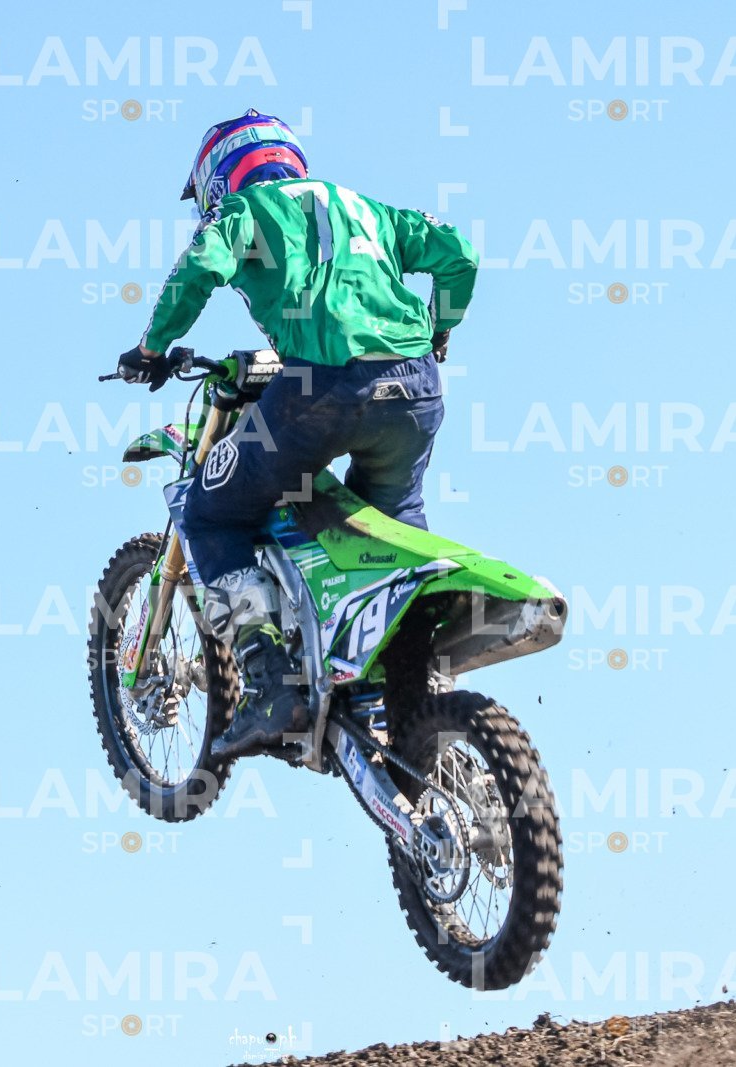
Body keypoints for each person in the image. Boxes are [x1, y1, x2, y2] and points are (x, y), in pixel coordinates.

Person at [116, 109, 478, 761]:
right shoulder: (364, 207)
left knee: (209, 512)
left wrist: (152, 348)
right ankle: (400, 691)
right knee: (385, 532)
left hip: (324, 385)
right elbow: (460, 254)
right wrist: (439, 326)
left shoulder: (245, 210)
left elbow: (201, 264)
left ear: (217, 176)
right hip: (418, 388)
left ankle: (270, 683)